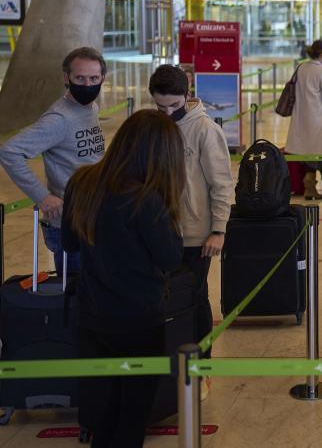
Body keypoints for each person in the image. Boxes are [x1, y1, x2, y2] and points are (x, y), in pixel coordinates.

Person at [61, 110, 185, 447]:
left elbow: (69, 244)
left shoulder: (81, 182)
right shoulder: (147, 200)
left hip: (92, 317)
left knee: (103, 411)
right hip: (139, 321)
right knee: (132, 415)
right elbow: (172, 258)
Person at [148, 65, 231, 382]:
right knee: (165, 299)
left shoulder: (205, 130)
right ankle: (171, 363)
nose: (168, 112)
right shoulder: (156, 125)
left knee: (195, 299)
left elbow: (222, 184)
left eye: (173, 105)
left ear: (186, 94)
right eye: (160, 106)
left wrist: (218, 229)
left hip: (198, 235)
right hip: (161, 231)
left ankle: (202, 365)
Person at [0, 47, 107, 275]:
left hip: (93, 217)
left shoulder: (90, 108)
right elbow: (10, 152)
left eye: (93, 78)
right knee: (74, 297)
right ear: (66, 78)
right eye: (80, 78)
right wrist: (43, 196)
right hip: (68, 225)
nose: (87, 84)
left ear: (102, 78)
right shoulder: (58, 119)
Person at [285, 40, 322, 200]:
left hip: (301, 116)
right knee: (316, 153)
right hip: (317, 118)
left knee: (305, 151)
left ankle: (309, 185)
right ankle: (310, 185)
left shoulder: (301, 67)